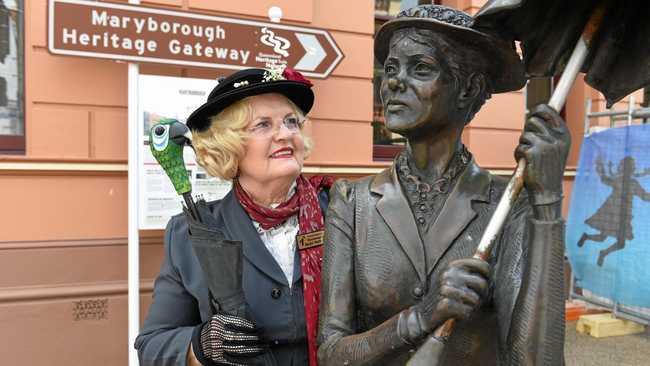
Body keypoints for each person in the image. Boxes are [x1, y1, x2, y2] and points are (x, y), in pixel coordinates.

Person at [318, 5, 569, 365]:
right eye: (390, 68)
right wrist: (421, 316)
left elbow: (534, 360)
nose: (393, 82)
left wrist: (546, 200)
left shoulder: (509, 204)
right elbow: (331, 353)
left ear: (469, 88)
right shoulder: (352, 202)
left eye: (420, 68)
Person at [135, 67, 332, 366]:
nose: (285, 134)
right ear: (229, 146)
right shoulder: (188, 234)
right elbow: (152, 346)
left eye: (291, 122)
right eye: (263, 125)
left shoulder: (343, 213)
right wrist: (200, 345)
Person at [577, 156, 650, 266]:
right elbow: (604, 179)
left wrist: (600, 167)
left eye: (631, 167)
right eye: (629, 167)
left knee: (619, 243)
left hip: (623, 215)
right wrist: (599, 166)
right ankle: (590, 240)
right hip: (612, 213)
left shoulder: (633, 183)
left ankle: (601, 251)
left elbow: (645, 197)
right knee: (605, 239)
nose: (630, 169)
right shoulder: (619, 180)